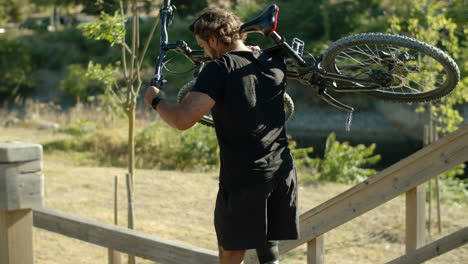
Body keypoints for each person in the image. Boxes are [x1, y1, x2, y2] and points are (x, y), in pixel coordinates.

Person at [144, 7, 299, 264]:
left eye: (203, 45)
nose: (204, 52)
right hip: (282, 170)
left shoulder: (219, 68)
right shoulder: (273, 60)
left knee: (232, 251)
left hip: (244, 178)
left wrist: (156, 101)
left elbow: (182, 120)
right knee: (269, 246)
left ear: (214, 40)